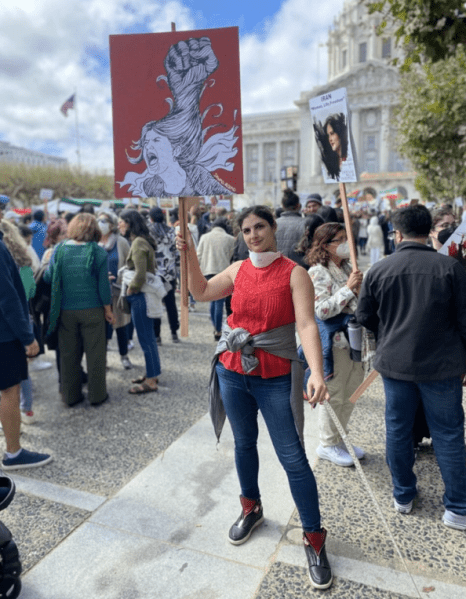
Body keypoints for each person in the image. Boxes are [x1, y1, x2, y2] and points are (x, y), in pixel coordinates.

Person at [176, 205, 333, 590]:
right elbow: (200, 291)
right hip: (232, 370)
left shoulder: (295, 273)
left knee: (293, 456)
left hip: (276, 375)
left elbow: (307, 324)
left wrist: (315, 370)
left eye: (259, 226)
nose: (253, 234)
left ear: (274, 227)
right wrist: (188, 251)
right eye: (246, 229)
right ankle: (252, 508)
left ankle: (314, 537)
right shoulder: (238, 269)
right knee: (243, 444)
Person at [356, 205, 466, 529]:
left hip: (396, 363)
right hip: (443, 365)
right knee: (448, 435)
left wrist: (389, 330)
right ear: (430, 230)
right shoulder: (451, 268)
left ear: (397, 234)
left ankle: (403, 495)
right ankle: (458, 507)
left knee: (398, 430)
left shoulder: (379, 269)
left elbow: (364, 316)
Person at [119, 37, 238, 198]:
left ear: (177, 149)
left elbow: (227, 195)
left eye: (155, 140)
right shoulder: (149, 186)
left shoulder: (198, 177)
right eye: (146, 143)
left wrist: (188, 89)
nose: (148, 147)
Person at [306, 223, 365, 467]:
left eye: (346, 238)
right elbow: (322, 310)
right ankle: (327, 443)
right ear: (325, 245)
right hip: (336, 342)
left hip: (357, 339)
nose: (344, 243)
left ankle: (340, 438)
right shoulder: (318, 272)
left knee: (351, 392)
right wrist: (348, 289)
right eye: (339, 239)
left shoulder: (350, 267)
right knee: (336, 394)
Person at [44, 213, 113, 406]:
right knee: (96, 355)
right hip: (93, 310)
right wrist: (108, 310)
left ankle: (71, 396)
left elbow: (49, 278)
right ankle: (97, 395)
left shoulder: (59, 250)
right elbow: (103, 287)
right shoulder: (98, 252)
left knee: (68, 355)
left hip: (66, 311)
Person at [0, 217, 52, 470]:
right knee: (10, 390)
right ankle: (13, 452)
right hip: (5, 334)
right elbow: (8, 297)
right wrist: (27, 336)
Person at [118, 209, 162, 394]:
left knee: (146, 339)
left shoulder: (137, 243)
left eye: (121, 222)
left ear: (129, 223)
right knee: (148, 338)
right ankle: (152, 373)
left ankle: (151, 381)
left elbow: (140, 273)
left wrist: (131, 288)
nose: (119, 225)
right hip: (144, 296)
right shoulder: (142, 240)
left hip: (140, 296)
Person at [97, 211, 133, 369]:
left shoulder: (121, 242)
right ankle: (102, 358)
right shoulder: (94, 242)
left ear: (112, 224)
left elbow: (129, 263)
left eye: (104, 220)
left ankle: (124, 355)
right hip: (99, 293)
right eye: (98, 220)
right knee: (102, 328)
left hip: (118, 291)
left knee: (121, 325)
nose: (100, 223)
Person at [196, 217, 235, 341]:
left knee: (212, 300)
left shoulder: (204, 237)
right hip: (223, 271)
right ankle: (218, 330)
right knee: (219, 301)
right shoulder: (230, 239)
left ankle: (215, 326)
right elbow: (231, 256)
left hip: (207, 271)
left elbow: (199, 256)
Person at [148, 207, 180, 344]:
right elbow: (176, 252)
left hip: (154, 273)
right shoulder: (171, 231)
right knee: (170, 302)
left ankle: (157, 335)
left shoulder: (149, 232)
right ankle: (174, 332)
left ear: (151, 218)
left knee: (155, 304)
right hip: (169, 272)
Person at [275, 189, 306, 263]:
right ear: (298, 205)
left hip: (276, 267)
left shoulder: (273, 224)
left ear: (282, 205)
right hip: (298, 268)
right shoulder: (305, 223)